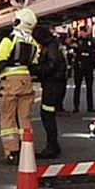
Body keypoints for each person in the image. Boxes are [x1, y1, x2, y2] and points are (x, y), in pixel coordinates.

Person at [0, 8, 40, 165]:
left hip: (10, 81)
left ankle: (12, 151)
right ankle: (26, 148)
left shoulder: (9, 40)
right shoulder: (34, 43)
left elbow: (1, 61)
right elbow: (34, 65)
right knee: (25, 118)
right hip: (26, 80)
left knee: (7, 118)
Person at [31, 25, 67, 159]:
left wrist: (36, 69)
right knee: (47, 114)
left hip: (53, 84)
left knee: (47, 114)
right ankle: (52, 144)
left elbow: (52, 65)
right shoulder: (54, 44)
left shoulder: (51, 46)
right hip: (55, 83)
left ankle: (52, 146)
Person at [70, 25, 95, 112]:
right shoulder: (77, 41)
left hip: (88, 66)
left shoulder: (90, 41)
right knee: (77, 87)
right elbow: (73, 48)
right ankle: (76, 106)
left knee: (89, 87)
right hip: (79, 66)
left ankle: (90, 106)